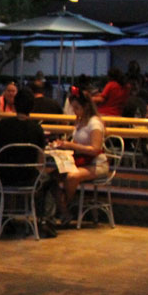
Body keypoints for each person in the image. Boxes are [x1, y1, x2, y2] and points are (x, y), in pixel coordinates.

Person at [51, 86, 107, 226]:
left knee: (72, 177)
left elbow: (95, 149)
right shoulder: (80, 121)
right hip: (80, 160)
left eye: (76, 108)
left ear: (86, 106)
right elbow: (77, 143)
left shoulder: (95, 123)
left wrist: (71, 146)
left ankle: (63, 207)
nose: (74, 111)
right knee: (51, 178)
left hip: (96, 163)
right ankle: (64, 210)